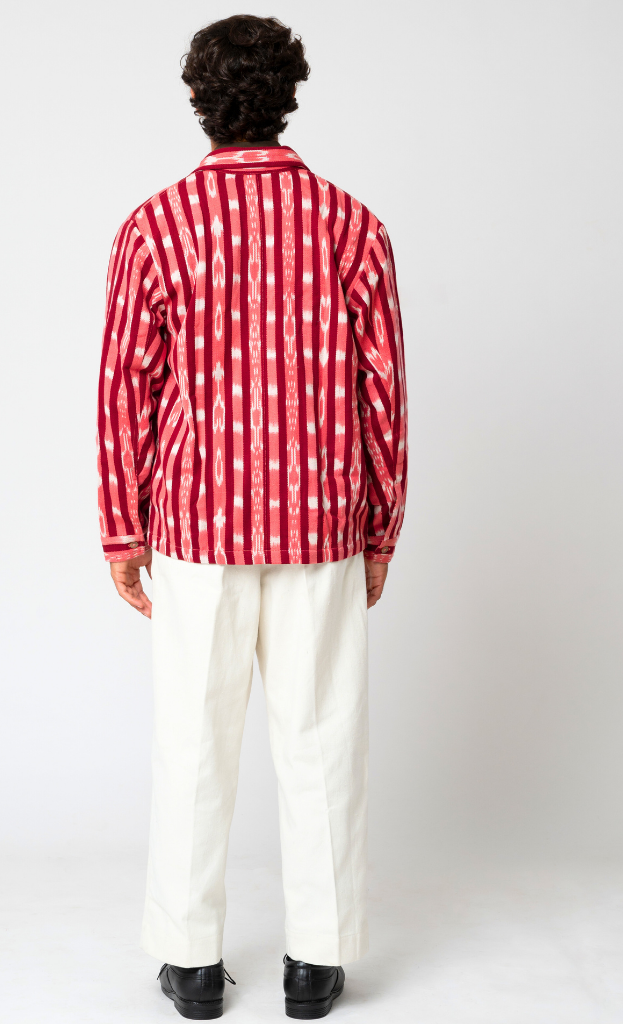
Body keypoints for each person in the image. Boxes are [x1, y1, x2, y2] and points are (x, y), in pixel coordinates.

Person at [96, 14, 407, 1020]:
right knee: (322, 740)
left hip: (198, 526)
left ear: (199, 99)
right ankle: (318, 963)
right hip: (320, 523)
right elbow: (384, 397)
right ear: (290, 96)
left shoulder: (155, 226)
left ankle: (189, 964)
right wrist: (382, 527)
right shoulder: (353, 226)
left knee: (193, 741)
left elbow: (124, 390)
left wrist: (122, 526)